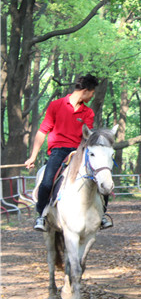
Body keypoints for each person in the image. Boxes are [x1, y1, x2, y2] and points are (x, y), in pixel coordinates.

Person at [25, 74, 113, 232]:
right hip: (58, 151)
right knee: (46, 182)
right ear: (85, 91)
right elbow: (42, 131)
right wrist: (33, 156)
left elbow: (87, 137)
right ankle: (42, 215)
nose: (92, 96)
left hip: (79, 151)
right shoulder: (56, 105)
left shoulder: (88, 113)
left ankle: (102, 215)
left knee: (101, 178)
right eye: (92, 92)